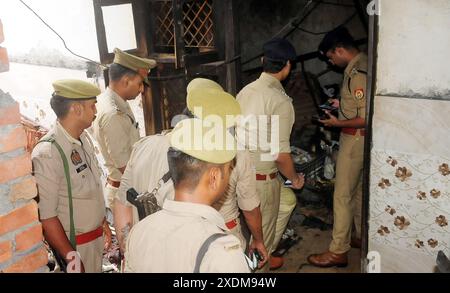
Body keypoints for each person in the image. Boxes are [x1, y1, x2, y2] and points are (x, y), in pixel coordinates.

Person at [115, 79, 268, 268]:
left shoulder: (145, 146)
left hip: (149, 245)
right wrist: (258, 240)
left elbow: (122, 201)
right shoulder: (222, 251)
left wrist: (129, 246)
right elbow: (250, 206)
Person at [124, 118, 250, 273]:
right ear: (215, 177)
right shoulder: (222, 251)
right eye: (228, 169)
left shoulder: (139, 231)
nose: (229, 175)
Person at [236, 38, 305, 270]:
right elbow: (279, 154)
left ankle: (267, 249)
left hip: (241, 169)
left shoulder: (245, 91)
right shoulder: (280, 101)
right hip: (261, 180)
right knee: (259, 241)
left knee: (287, 201)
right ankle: (258, 264)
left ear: (262, 61)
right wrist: (295, 179)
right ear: (287, 65)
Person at [32, 79, 111, 273]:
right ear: (76, 109)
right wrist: (72, 260)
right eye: (92, 106)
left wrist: (102, 222)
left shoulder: (82, 138)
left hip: (94, 242)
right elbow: (48, 218)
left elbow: (89, 188)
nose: (95, 111)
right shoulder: (49, 152)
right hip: (76, 248)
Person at [307, 26, 367, 268]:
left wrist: (337, 122)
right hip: (360, 139)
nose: (331, 62)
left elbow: (365, 117)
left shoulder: (357, 73)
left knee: (341, 195)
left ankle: (338, 250)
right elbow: (358, 102)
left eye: (331, 57)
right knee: (358, 191)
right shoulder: (362, 64)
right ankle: (361, 236)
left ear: (339, 50)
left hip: (354, 138)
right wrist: (340, 103)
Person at [93, 48, 156, 212]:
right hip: (126, 194)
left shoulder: (111, 100)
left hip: (126, 189)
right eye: (140, 83)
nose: (142, 89)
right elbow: (125, 167)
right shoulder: (113, 114)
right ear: (126, 81)